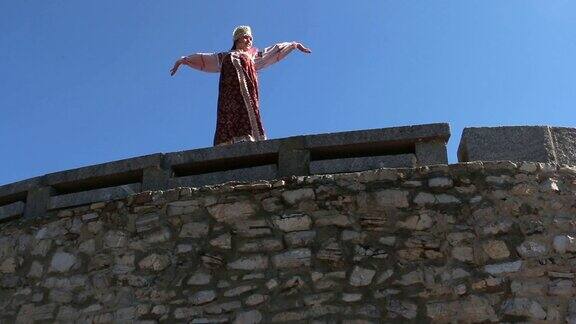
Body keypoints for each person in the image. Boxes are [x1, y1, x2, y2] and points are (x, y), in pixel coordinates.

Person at [170, 25, 311, 146]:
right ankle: (227, 143)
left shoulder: (253, 56)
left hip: (248, 93)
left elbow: (272, 51)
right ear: (237, 39)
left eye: (250, 38)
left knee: (248, 112)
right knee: (228, 114)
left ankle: (250, 139)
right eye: (245, 37)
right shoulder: (225, 57)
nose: (249, 40)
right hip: (229, 95)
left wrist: (293, 45)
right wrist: (184, 60)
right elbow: (205, 58)